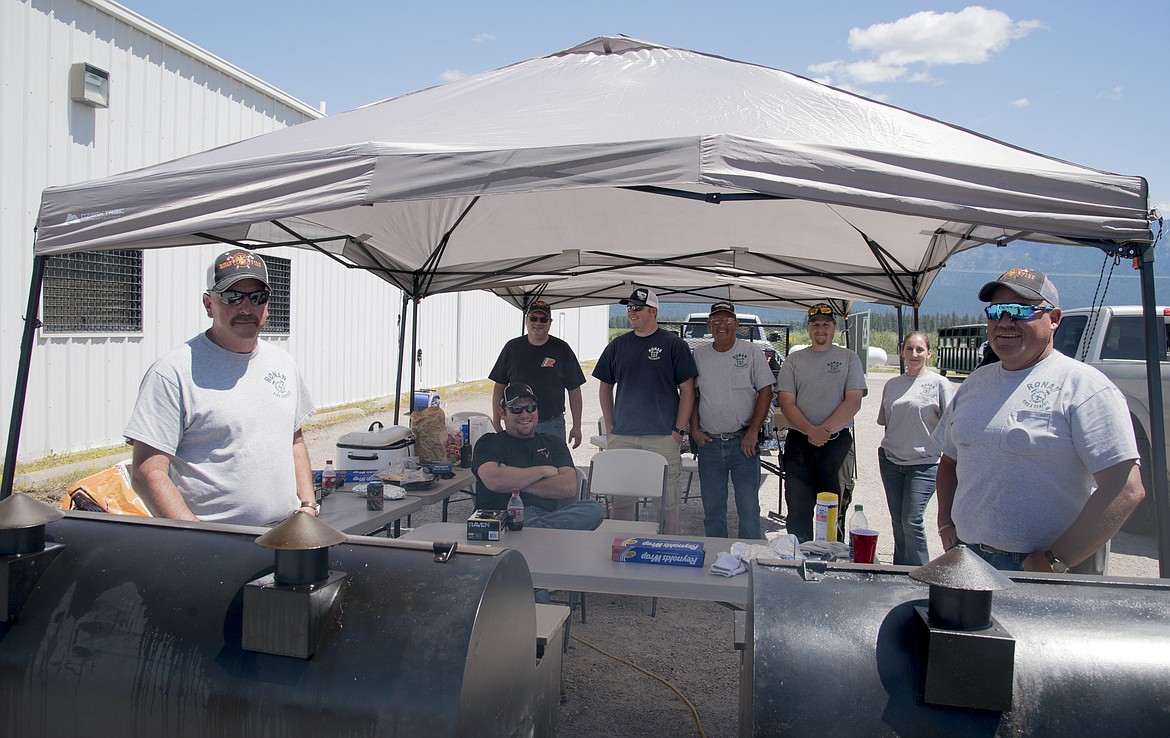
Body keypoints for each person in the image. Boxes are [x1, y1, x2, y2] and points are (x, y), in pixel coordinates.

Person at [933, 267, 1145, 573]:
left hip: (1045, 567)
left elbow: (1126, 488)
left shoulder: (1084, 386)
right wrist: (945, 524)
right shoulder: (976, 383)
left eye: (1019, 311)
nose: (1005, 322)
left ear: (1055, 319)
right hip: (970, 560)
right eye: (996, 312)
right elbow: (949, 460)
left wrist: (1056, 560)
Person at [124, 249, 317, 525]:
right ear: (208, 304)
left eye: (256, 297)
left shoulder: (283, 363)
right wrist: (197, 539)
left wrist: (308, 505)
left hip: (287, 534)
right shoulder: (173, 372)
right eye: (231, 297)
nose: (246, 308)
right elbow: (147, 472)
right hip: (217, 544)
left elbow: (295, 440)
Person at [593, 287, 698, 534]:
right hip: (623, 436)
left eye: (637, 308)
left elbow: (688, 390)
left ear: (653, 311)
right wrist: (610, 427)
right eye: (629, 308)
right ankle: (622, 552)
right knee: (621, 501)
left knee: (667, 503)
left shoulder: (673, 345)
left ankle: (668, 551)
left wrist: (678, 432)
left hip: (662, 437)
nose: (632, 312)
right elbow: (604, 386)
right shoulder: (617, 345)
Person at [774, 302, 867, 542]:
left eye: (826, 324)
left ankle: (831, 564)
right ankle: (798, 562)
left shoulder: (849, 358)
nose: (820, 329)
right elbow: (786, 403)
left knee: (834, 511)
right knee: (797, 510)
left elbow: (853, 401)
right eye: (815, 325)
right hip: (799, 444)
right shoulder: (794, 360)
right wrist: (810, 431)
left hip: (836, 445)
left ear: (834, 328)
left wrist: (823, 431)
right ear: (808, 329)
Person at [690, 302, 774, 539]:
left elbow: (766, 391)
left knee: (748, 509)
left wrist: (753, 432)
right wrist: (694, 430)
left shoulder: (751, 351)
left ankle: (749, 563)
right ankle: (718, 562)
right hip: (710, 444)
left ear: (737, 324)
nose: (721, 325)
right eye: (716, 321)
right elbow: (692, 395)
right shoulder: (699, 355)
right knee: (713, 511)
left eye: (727, 320)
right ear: (709, 325)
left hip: (743, 443)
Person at [472, 383, 604, 530]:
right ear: (502, 413)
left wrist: (511, 481)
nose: (525, 414)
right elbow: (494, 480)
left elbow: (568, 487)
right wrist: (543, 471)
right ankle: (537, 534)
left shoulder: (553, 443)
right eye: (516, 409)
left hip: (545, 517)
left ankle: (531, 531)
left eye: (530, 408)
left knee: (593, 509)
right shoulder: (488, 442)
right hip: (501, 518)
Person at [877, 331, 954, 566]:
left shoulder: (939, 384)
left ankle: (922, 573)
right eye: (909, 349)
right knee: (898, 522)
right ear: (902, 352)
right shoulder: (892, 384)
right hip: (891, 461)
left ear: (929, 353)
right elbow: (887, 423)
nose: (914, 354)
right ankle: (900, 570)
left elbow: (950, 424)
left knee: (912, 520)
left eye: (919, 349)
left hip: (924, 463)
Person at [489, 300, 587, 447]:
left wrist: (577, 426)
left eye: (543, 319)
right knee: (518, 467)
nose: (538, 323)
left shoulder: (562, 349)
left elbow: (574, 390)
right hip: (518, 422)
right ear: (526, 320)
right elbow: (499, 387)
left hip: (552, 424)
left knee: (554, 468)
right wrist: (496, 421)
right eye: (534, 318)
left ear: (550, 323)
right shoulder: (512, 348)